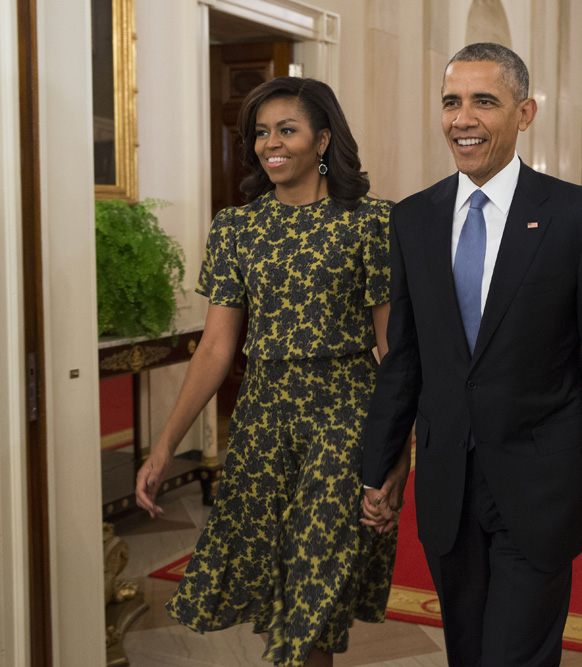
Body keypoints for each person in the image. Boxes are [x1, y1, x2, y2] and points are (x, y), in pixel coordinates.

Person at [360, 43, 582, 666]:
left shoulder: (579, 218)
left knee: (515, 658)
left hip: (539, 489)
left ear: (525, 114)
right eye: (451, 102)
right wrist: (381, 464)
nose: (462, 119)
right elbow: (404, 356)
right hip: (448, 488)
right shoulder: (413, 219)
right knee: (467, 653)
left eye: (483, 102)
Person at [134, 77, 411, 667]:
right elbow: (214, 349)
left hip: (345, 418)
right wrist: (164, 447)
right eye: (261, 132)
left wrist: (398, 456)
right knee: (274, 586)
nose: (270, 144)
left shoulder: (372, 222)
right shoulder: (236, 229)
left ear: (323, 139)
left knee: (315, 583)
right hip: (262, 422)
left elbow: (393, 352)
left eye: (287, 129)